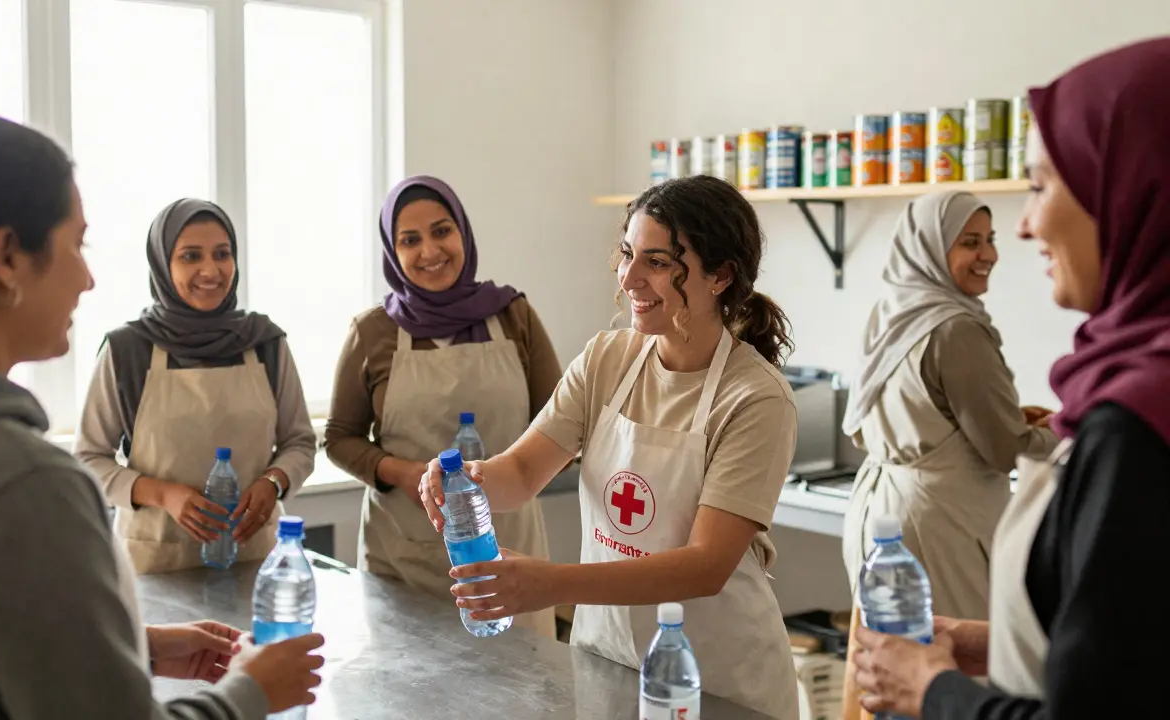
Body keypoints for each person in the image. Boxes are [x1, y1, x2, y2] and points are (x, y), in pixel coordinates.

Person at [0, 107, 324, 718]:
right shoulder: (29, 488)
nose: (88, 279)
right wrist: (250, 693)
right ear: (6, 258)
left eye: (221, 253)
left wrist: (131, 649)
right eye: (77, 243)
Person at [849, 37, 1170, 719]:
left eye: (1044, 184)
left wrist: (934, 692)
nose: (1023, 228)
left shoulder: (1137, 427)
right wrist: (993, 646)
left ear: (1133, 187)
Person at [418, 174, 802, 718]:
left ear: (720, 275)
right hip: (608, 663)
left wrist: (549, 584)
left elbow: (704, 566)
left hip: (716, 679)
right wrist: (464, 478)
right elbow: (524, 471)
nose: (629, 278)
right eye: (626, 254)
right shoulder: (607, 359)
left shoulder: (755, 398)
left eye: (658, 262)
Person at [325, 175, 559, 638]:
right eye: (409, 240)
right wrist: (402, 472)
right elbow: (338, 438)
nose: (430, 251)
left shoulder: (513, 315)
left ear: (463, 232)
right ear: (393, 252)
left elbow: (561, 422)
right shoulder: (372, 332)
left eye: (441, 230)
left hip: (510, 551)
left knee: (522, 697)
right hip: (407, 557)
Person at [841, 189, 1058, 621]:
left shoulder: (890, 313)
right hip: (942, 525)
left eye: (990, 238)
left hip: (879, 514)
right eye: (970, 242)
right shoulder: (955, 329)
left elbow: (907, 418)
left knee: (893, 669)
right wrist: (1070, 434)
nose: (990, 254)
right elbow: (1003, 448)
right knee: (955, 671)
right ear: (931, 248)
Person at [76, 198, 316, 574]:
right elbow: (88, 459)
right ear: (162, 264)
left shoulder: (266, 342)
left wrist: (273, 482)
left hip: (254, 558)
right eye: (190, 256)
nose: (210, 270)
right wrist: (163, 494)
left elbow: (299, 442)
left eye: (222, 254)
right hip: (155, 561)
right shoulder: (128, 350)